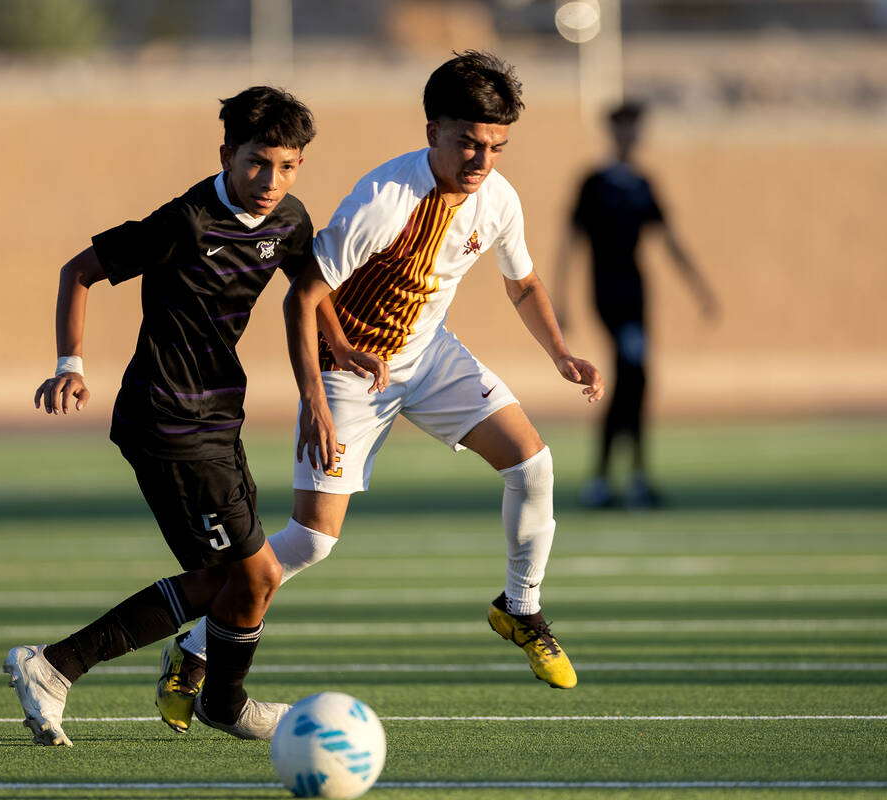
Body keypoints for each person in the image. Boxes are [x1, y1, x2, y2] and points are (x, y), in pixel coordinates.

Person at [157, 52, 604, 733]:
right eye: (468, 143)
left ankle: (519, 608)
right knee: (310, 541)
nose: (482, 159)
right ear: (432, 132)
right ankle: (193, 652)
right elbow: (304, 298)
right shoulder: (383, 198)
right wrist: (314, 401)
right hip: (349, 373)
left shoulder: (499, 198)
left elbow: (522, 284)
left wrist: (562, 352)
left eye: (496, 146)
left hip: (428, 357)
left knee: (532, 464)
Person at [3, 86, 384, 747]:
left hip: (218, 417)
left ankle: (180, 692)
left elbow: (307, 284)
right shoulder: (187, 220)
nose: (272, 180)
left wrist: (341, 342)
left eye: (288, 165)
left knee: (234, 578)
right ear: (227, 155)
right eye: (258, 163)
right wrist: (71, 363)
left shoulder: (289, 219)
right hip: (165, 419)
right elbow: (78, 271)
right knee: (253, 573)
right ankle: (76, 669)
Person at [552, 101, 717, 509]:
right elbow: (569, 244)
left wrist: (699, 288)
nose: (629, 135)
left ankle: (618, 482)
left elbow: (669, 239)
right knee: (633, 380)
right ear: (612, 133)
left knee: (634, 384)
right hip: (608, 297)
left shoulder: (642, 184)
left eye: (634, 128)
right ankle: (614, 482)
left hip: (638, 295)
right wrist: (561, 300)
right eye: (622, 128)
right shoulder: (593, 183)